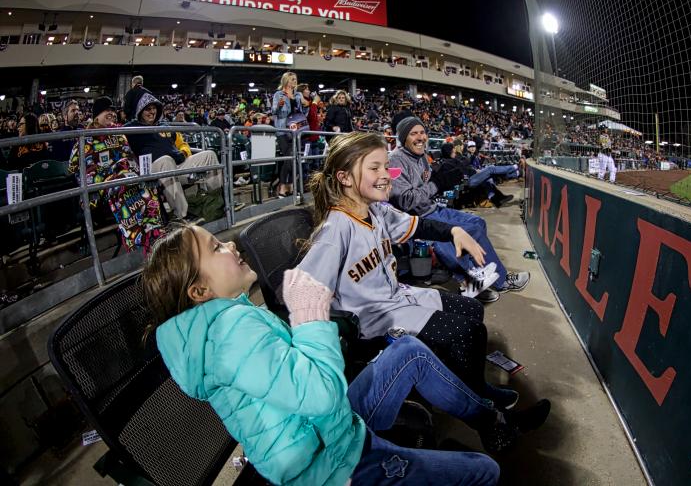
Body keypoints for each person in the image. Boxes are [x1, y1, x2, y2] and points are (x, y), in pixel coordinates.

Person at [146, 222, 550, 485]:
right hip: (328, 464)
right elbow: (318, 392)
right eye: (216, 248)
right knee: (484, 474)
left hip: (323, 428)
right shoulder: (229, 332)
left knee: (409, 350)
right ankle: (491, 426)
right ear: (199, 291)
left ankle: (492, 422)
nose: (230, 245)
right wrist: (309, 316)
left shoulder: (224, 322)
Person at [298, 131, 552, 417]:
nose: (386, 175)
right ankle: (481, 405)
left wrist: (454, 230)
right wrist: (328, 352)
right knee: (469, 332)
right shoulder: (334, 231)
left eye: (385, 166)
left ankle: (466, 383)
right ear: (344, 178)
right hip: (373, 320)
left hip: (396, 297)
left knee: (471, 309)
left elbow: (419, 225)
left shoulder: (376, 211)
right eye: (375, 168)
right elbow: (302, 295)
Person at [389, 117, 531, 301]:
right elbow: (406, 201)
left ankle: (479, 277)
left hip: (432, 208)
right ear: (403, 138)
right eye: (413, 133)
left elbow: (431, 186)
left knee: (477, 222)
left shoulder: (422, 157)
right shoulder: (395, 161)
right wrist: (437, 184)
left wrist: (445, 180)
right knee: (464, 232)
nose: (420, 137)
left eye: (422, 132)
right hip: (415, 218)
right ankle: (488, 281)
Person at [68, 96, 164, 252]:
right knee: (123, 183)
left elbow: (129, 157)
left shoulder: (119, 133)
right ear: (97, 114)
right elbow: (74, 168)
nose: (112, 113)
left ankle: (154, 229)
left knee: (146, 180)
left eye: (113, 110)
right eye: (107, 110)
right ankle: (137, 241)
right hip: (100, 185)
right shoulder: (86, 137)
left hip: (126, 177)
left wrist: (133, 172)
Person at [125, 87, 222, 219]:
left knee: (209, 155)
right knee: (166, 161)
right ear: (140, 111)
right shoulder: (131, 128)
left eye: (154, 108)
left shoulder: (166, 126)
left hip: (177, 166)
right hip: (151, 171)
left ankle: (216, 203)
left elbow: (183, 144)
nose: (152, 112)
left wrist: (184, 152)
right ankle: (181, 215)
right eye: (148, 109)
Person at [271, 71, 303, 197]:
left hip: (296, 130)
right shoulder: (278, 94)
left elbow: (301, 111)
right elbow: (274, 111)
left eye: (295, 79)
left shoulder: (298, 95)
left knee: (292, 158)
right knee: (289, 157)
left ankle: (286, 186)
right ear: (286, 81)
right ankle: (288, 186)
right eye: (291, 79)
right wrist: (279, 105)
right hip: (282, 131)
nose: (294, 82)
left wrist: (293, 98)